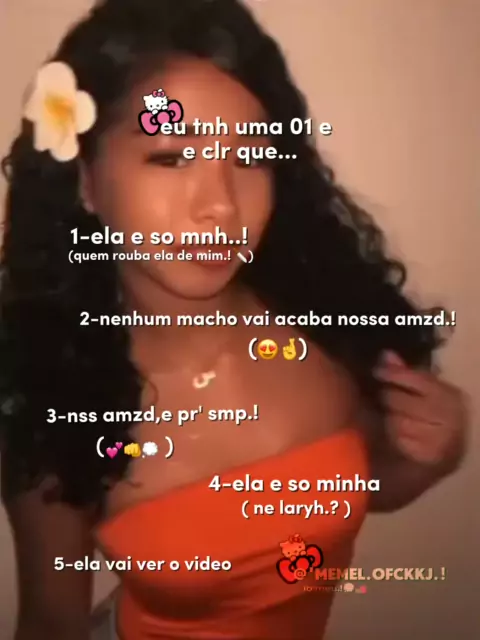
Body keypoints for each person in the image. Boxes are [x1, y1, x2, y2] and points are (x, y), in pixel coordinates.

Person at [0, 0, 468, 639]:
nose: (221, 205)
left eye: (249, 157)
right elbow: (52, 621)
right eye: (172, 157)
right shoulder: (55, 398)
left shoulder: (324, 325)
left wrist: (428, 457)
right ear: (85, 180)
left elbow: (361, 489)